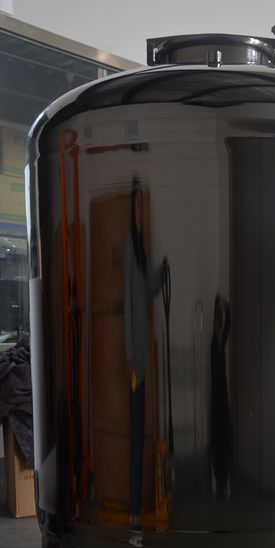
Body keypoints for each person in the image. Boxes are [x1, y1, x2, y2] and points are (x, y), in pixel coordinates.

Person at [123, 176, 166, 530]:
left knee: (144, 429)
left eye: (141, 205)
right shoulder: (129, 245)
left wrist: (162, 270)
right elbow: (128, 302)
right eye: (135, 204)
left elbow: (150, 288)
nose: (139, 211)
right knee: (136, 433)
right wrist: (130, 357)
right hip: (136, 360)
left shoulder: (142, 248)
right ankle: (134, 507)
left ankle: (141, 503)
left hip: (145, 358)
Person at [210, 294, 231, 498]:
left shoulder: (220, 345)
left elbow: (227, 326)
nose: (220, 330)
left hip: (222, 401)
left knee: (224, 438)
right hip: (217, 402)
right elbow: (221, 328)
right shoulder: (214, 347)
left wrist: (226, 307)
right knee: (219, 439)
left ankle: (224, 479)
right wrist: (219, 308)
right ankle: (219, 477)